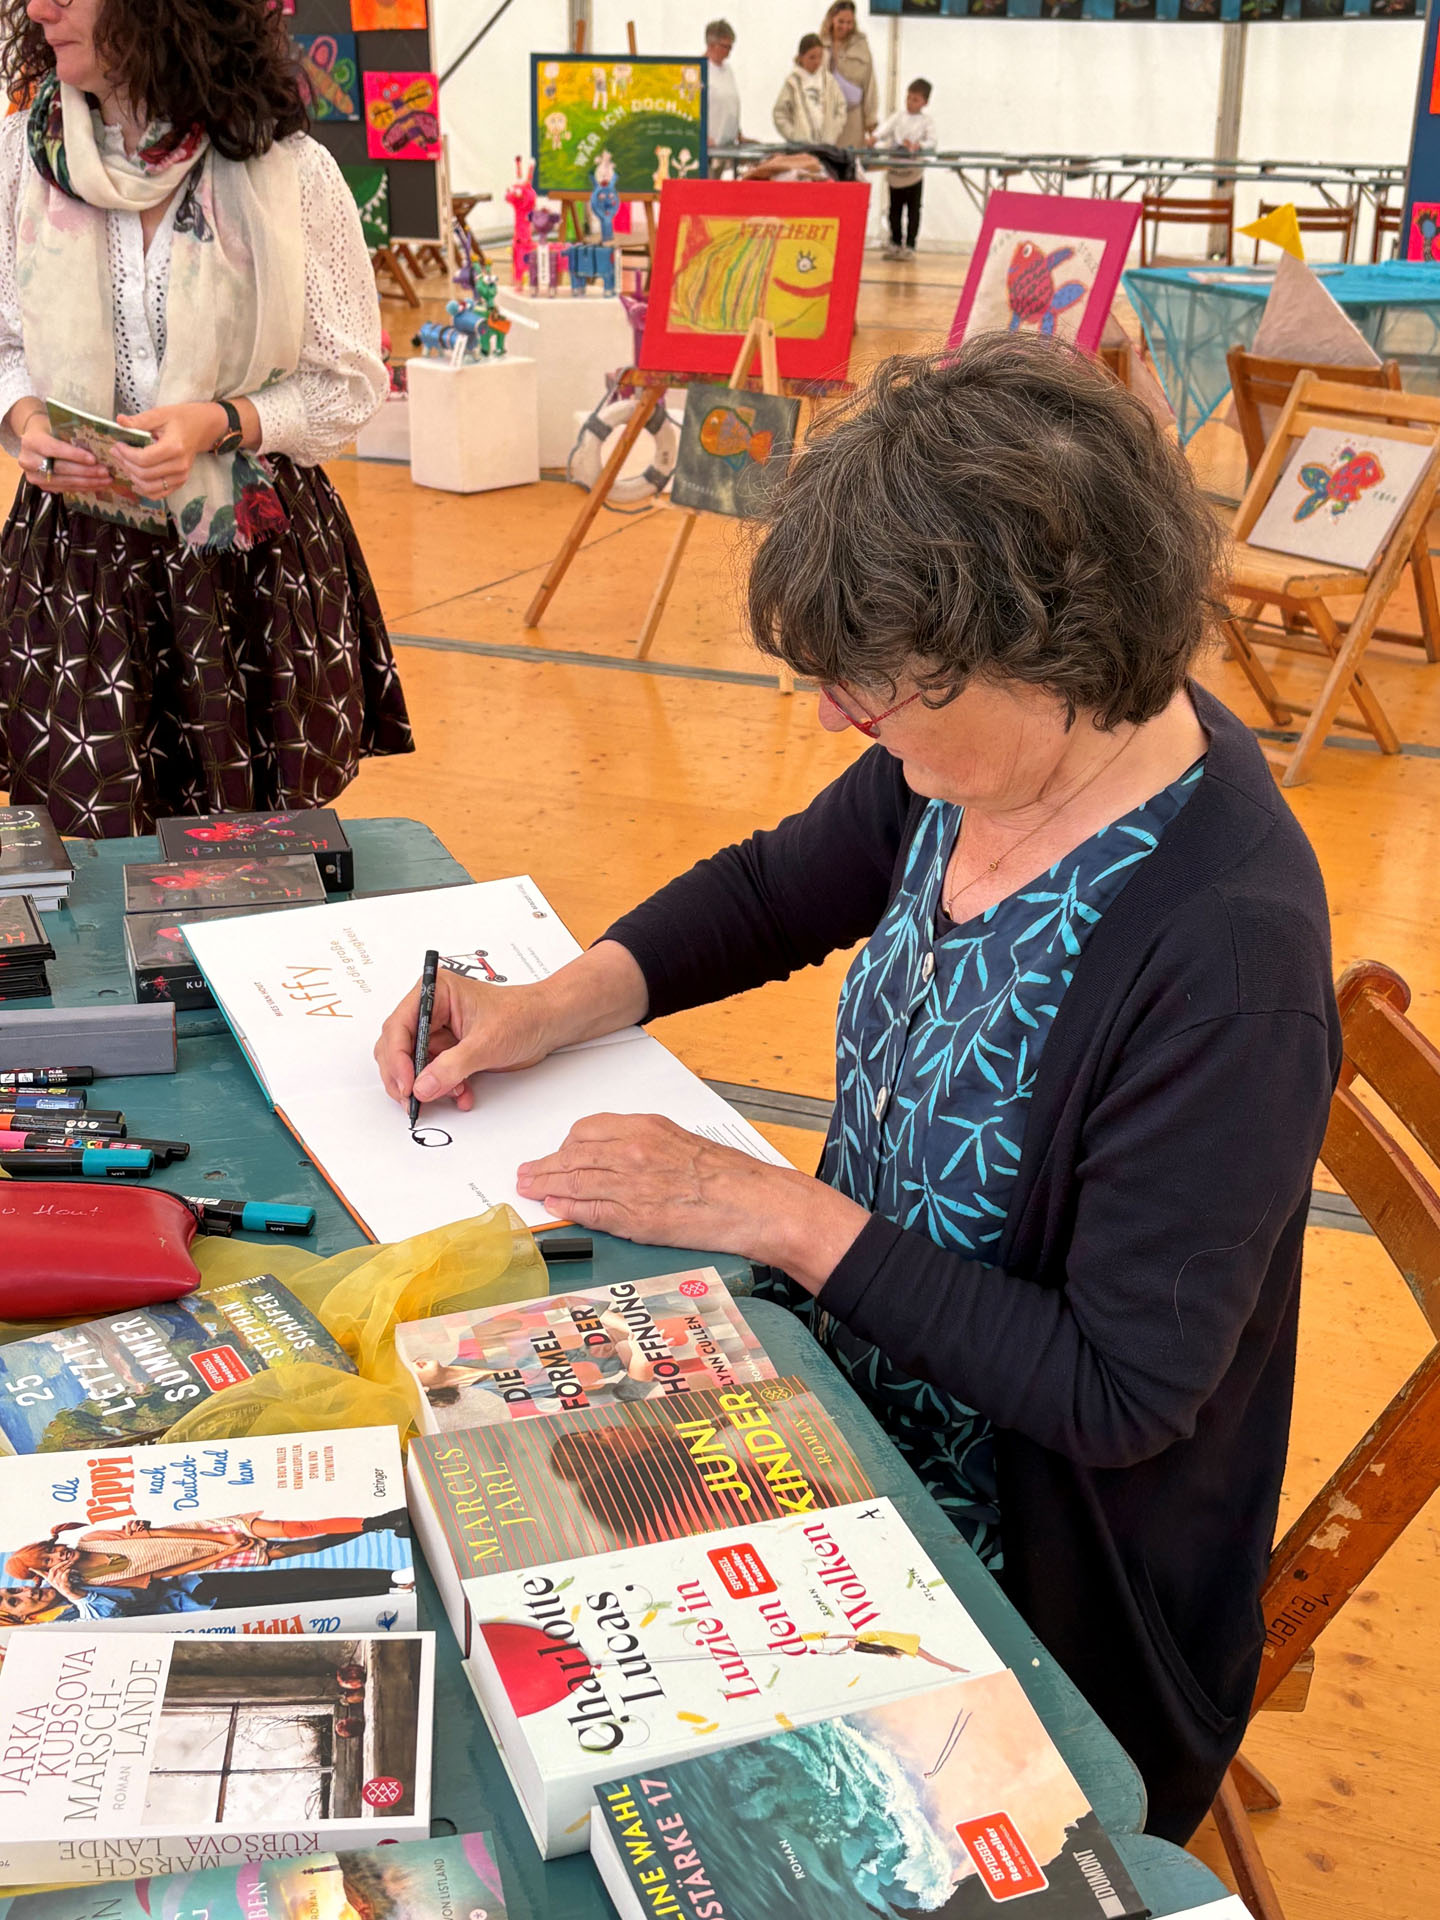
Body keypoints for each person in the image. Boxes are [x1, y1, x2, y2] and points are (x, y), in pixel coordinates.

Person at [376, 334, 1341, 1843]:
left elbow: (1119, 1394)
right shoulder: (983, 760)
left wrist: (775, 1212)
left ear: (1051, 650)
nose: (839, 715)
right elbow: (774, 890)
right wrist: (540, 1008)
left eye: (872, 682)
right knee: (442, 1524)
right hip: (838, 1385)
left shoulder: (1226, 955)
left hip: (1027, 1566)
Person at [0, 0, 413, 837]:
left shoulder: (287, 171)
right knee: (89, 848)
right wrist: (28, 416)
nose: (40, 7)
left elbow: (348, 385)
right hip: (82, 559)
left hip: (241, 567)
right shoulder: (24, 158)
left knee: (247, 859)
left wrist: (218, 422)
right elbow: (7, 339)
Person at [869, 78, 936, 260]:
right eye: (908, 98)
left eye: (915, 99)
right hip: (896, 172)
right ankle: (896, 243)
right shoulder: (898, 116)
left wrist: (918, 146)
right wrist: (874, 138)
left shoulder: (927, 121)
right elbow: (884, 129)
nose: (910, 102)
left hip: (914, 174)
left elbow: (932, 142)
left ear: (925, 102)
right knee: (894, 210)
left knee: (913, 211)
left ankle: (911, 246)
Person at [773, 35, 848, 150]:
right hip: (801, 148)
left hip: (827, 146)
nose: (817, 62)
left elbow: (841, 106)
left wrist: (834, 130)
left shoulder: (829, 81)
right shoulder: (793, 82)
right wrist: (793, 135)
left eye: (820, 57)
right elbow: (779, 113)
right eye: (812, 57)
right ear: (801, 57)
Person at [820, 2, 878, 150]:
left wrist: (871, 120)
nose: (845, 27)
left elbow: (870, 84)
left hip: (853, 117)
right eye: (841, 21)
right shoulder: (819, 44)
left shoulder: (861, 44)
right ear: (831, 19)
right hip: (825, 117)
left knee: (850, 158)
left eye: (849, 22)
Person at [704, 19, 743, 168]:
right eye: (725, 47)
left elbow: (730, 103)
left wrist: (738, 132)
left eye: (731, 47)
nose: (729, 52)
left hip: (727, 146)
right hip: (710, 148)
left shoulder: (728, 70)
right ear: (711, 45)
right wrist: (701, 136)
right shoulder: (699, 70)